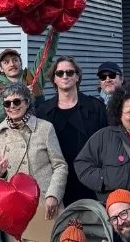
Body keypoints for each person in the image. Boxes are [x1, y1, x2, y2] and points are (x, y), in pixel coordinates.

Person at [0, 81, 68, 242]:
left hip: (44, 205)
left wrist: (53, 195)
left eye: (17, 101)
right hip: (15, 211)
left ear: (27, 102)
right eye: (7, 103)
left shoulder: (44, 128)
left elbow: (60, 165)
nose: (12, 106)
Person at [35, 56, 108, 204]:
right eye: (60, 73)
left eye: (69, 72)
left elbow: (108, 145)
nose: (65, 76)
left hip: (92, 183)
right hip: (57, 186)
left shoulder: (96, 108)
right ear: (54, 79)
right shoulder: (42, 112)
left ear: (77, 77)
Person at [0, 47, 35, 123]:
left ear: (21, 63)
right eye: (6, 62)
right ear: (1, 68)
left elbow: (46, 55)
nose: (12, 64)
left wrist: (54, 36)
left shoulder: (33, 79)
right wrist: (19, 96)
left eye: (15, 60)